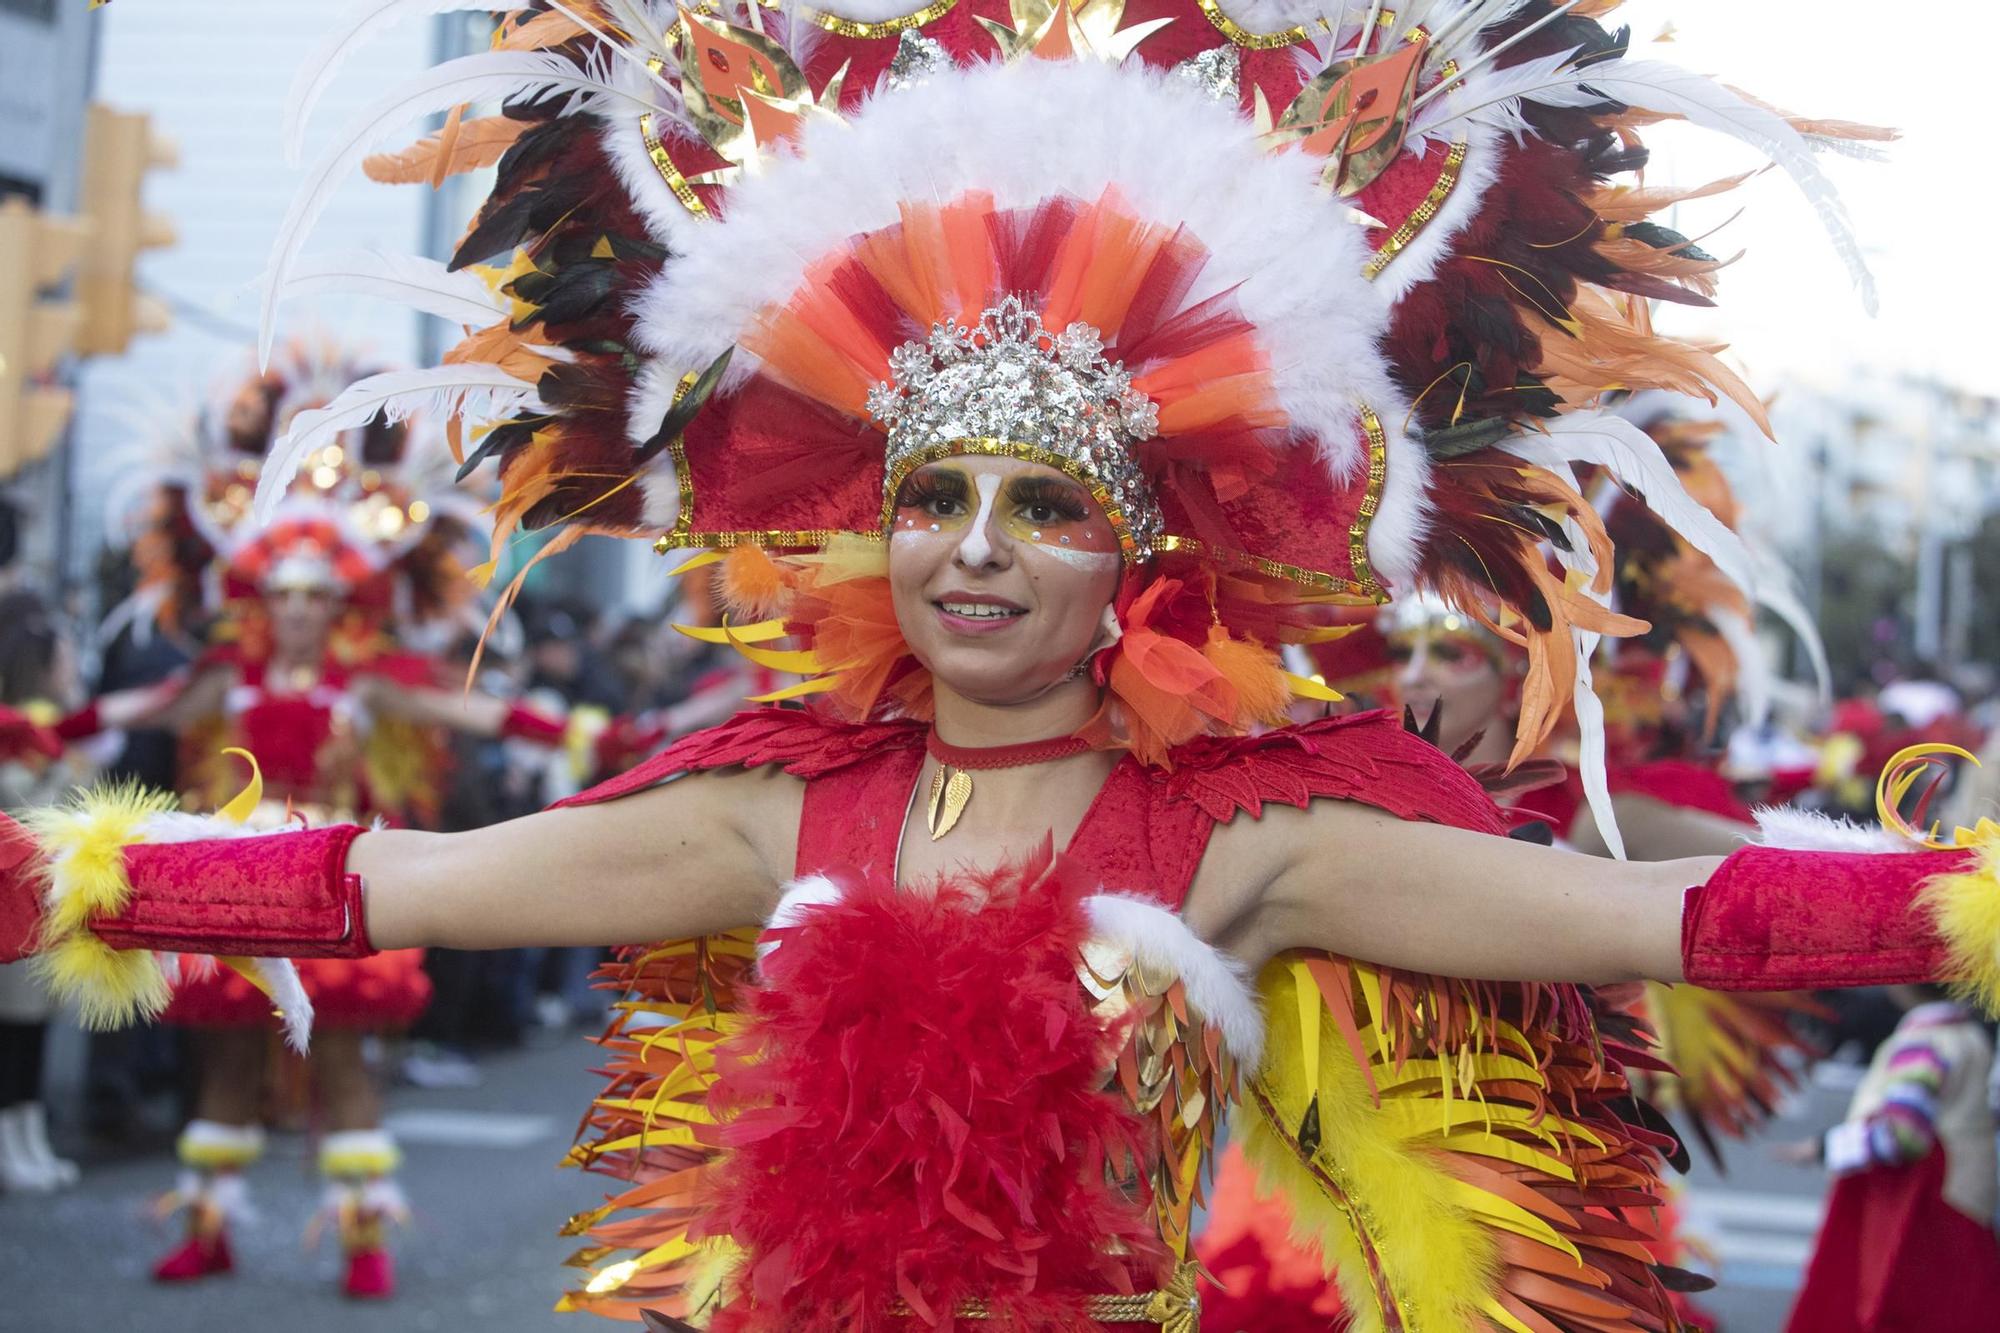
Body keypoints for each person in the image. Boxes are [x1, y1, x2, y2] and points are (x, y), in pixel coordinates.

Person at [5, 2, 1993, 1329]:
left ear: (1130, 557)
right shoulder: (776, 798)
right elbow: (402, 879)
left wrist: (1966, 911)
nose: (971, 547)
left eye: (1039, 507)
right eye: (933, 492)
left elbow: (1669, 916)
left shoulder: (1250, 830)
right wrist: (78, 875)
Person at [41, 342, 569, 1298]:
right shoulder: (228, 675)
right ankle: (205, 1226)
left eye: (312, 598)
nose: (294, 614)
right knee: (228, 1063)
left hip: (329, 875)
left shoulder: (367, 681)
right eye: (280, 597)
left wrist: (589, 731)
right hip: (233, 876)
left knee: (341, 1060)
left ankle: (365, 1239)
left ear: (339, 600)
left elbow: (471, 709)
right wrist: (32, 730)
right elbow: (137, 709)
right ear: (258, 599)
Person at [1781, 984, 2000, 1331]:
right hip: (1965, 1195)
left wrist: (1825, 1148)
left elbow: (1902, 1134)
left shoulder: (1922, 1042)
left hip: (1920, 1205)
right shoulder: (1969, 1033)